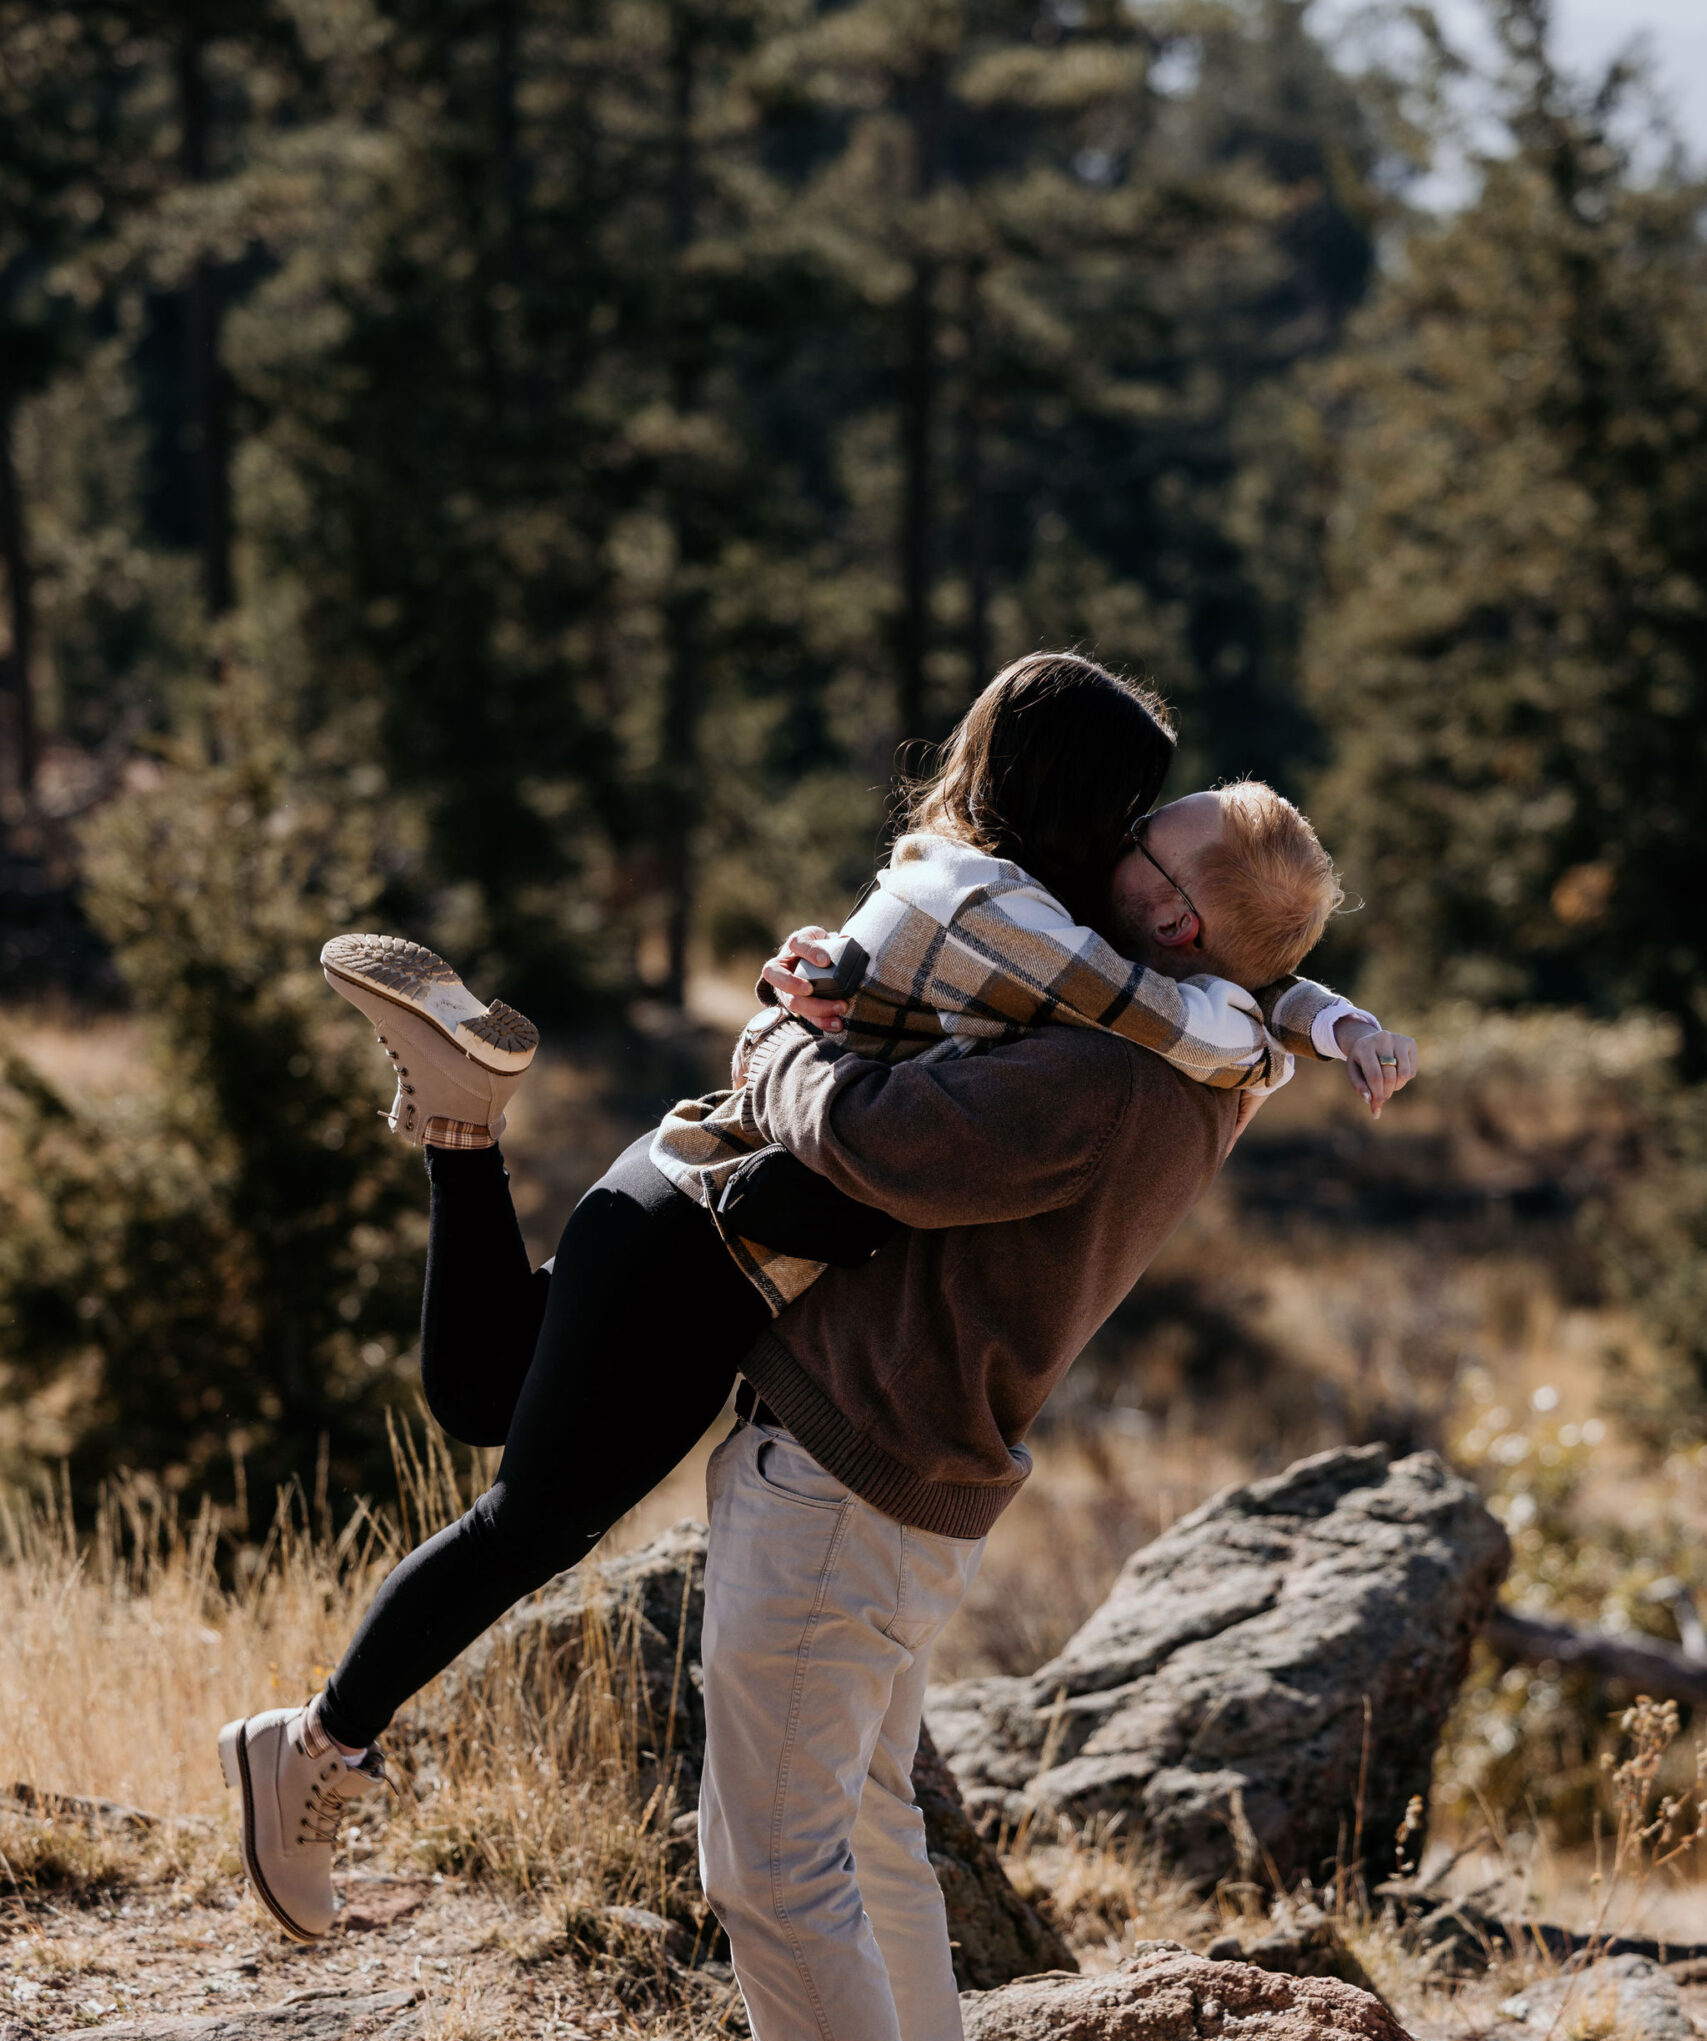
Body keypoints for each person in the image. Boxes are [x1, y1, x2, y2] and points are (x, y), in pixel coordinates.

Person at [216, 652, 1416, 1970]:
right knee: (533, 1522)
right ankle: (314, 1748)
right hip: (715, 1248)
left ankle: (459, 1118)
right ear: (1090, 808)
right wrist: (1291, 1023)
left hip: (680, 1198)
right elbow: (1182, 1012)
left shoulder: (1003, 890)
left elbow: (1214, 979)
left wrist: (1318, 1005)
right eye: (1137, 811)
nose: (1139, 832)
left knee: (478, 1398)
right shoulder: (1003, 918)